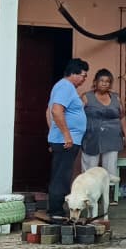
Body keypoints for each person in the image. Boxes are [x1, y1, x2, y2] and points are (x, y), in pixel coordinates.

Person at [46, 58, 89, 218]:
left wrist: (53, 134)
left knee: (62, 173)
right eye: (83, 75)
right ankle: (56, 211)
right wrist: (66, 135)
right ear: (73, 73)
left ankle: (57, 209)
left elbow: (49, 111)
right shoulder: (65, 87)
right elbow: (56, 111)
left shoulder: (65, 87)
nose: (84, 79)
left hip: (63, 139)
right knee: (61, 176)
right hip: (66, 141)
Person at [80, 69, 126, 186]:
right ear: (95, 82)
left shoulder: (116, 98)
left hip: (112, 138)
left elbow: (122, 116)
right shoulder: (86, 97)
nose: (104, 83)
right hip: (92, 137)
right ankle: (88, 193)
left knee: (110, 169)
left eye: (107, 81)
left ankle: (107, 193)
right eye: (101, 81)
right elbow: (77, 115)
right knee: (90, 169)